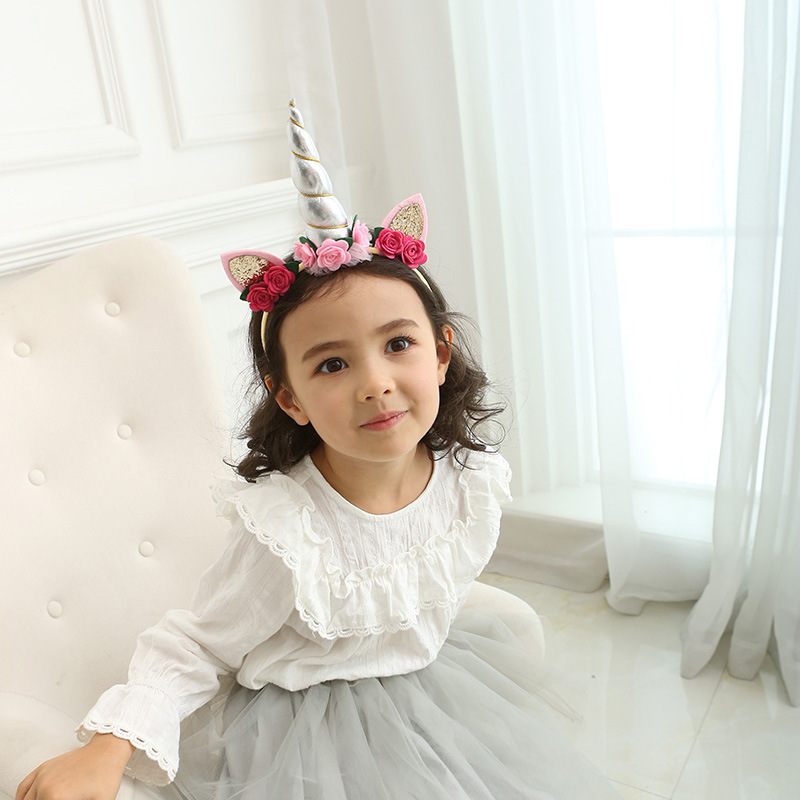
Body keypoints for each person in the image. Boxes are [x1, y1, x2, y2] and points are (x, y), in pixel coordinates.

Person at [17, 102, 621, 800]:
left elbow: (426, 601)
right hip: (304, 736)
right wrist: (109, 746)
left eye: (398, 344)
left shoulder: (470, 482)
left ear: (440, 355)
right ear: (291, 398)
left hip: (432, 697)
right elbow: (197, 643)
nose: (375, 384)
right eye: (333, 364)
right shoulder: (288, 531)